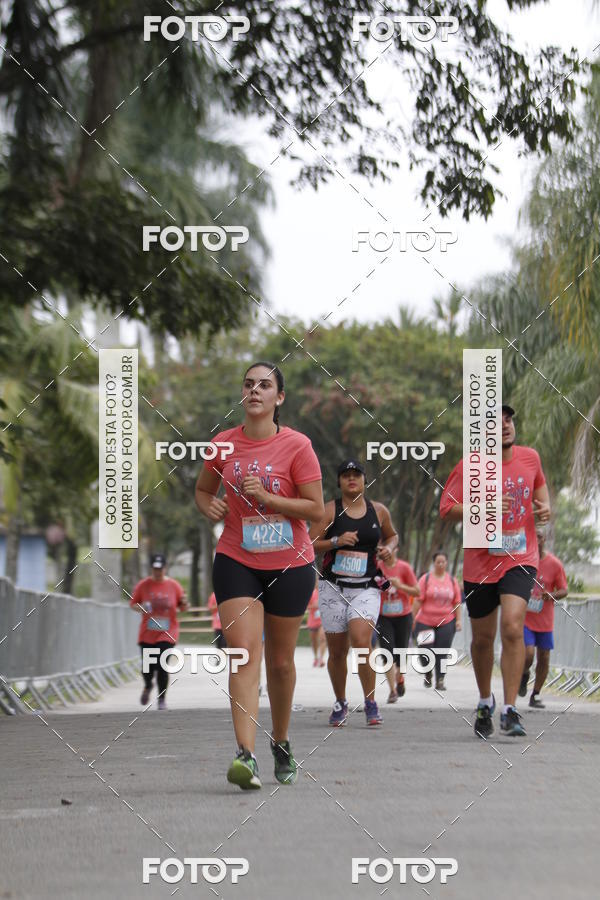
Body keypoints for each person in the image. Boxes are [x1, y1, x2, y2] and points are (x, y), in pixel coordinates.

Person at [195, 362, 324, 790]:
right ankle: (245, 756)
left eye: (264, 385)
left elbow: (316, 509)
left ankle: (281, 742)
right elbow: (202, 488)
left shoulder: (298, 446)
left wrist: (269, 497)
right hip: (237, 559)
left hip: (290, 563)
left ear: (278, 398)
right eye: (248, 384)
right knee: (245, 653)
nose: (255, 390)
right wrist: (207, 505)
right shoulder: (222, 445)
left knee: (282, 662)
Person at [440, 404, 551, 738]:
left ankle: (510, 708)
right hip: (480, 563)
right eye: (495, 422)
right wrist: (483, 506)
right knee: (484, 639)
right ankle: (485, 699)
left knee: (514, 628)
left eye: (509, 419)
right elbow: (446, 508)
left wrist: (545, 511)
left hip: (520, 556)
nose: (505, 425)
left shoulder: (530, 458)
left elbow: (541, 495)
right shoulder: (470, 466)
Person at [309, 460, 398, 727]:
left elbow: (392, 536)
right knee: (337, 652)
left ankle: (370, 702)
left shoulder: (378, 511)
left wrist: (388, 549)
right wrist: (336, 541)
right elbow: (311, 543)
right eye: (345, 475)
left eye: (356, 475)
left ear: (364, 481)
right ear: (339, 482)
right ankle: (340, 701)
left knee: (362, 642)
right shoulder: (330, 510)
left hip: (367, 587)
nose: (351, 480)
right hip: (333, 587)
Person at [130, 553, 188, 710]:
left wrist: (184, 602)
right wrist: (143, 606)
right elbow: (133, 604)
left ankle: (162, 699)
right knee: (148, 667)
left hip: (168, 631)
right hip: (148, 632)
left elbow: (183, 606)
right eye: (155, 569)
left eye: (160, 569)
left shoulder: (174, 585)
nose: (158, 572)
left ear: (165, 568)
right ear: (151, 569)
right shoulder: (143, 585)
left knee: (162, 665)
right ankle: (148, 685)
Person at [519, 529, 568, 708]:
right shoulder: (522, 561)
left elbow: (564, 589)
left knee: (544, 657)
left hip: (545, 620)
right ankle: (524, 674)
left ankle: (536, 694)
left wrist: (551, 595)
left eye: (539, 536)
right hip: (525, 618)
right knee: (529, 653)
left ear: (544, 539)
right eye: (532, 536)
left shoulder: (554, 564)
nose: (536, 540)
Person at [412, 551, 461, 691]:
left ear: (446, 563)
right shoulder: (426, 579)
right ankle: (428, 672)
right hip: (425, 620)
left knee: (442, 652)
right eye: (438, 562)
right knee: (425, 651)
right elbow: (417, 601)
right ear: (434, 563)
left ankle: (440, 680)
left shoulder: (452, 581)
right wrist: (412, 619)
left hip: (446, 621)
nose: (440, 564)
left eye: (443, 562)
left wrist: (458, 621)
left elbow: (457, 602)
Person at [377, 548, 419, 702]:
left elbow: (417, 591)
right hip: (383, 616)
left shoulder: (404, 567)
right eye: (381, 549)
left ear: (396, 549)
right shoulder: (377, 567)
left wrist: (400, 586)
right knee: (387, 653)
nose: (386, 552)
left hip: (403, 616)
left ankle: (400, 678)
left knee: (401, 653)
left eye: (389, 548)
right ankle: (392, 691)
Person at [306, 577, 326, 667]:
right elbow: (306, 606)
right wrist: (314, 605)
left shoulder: (326, 593)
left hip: (323, 620)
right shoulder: (312, 593)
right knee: (314, 641)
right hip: (313, 620)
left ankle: (321, 658)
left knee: (323, 638)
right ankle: (315, 657)